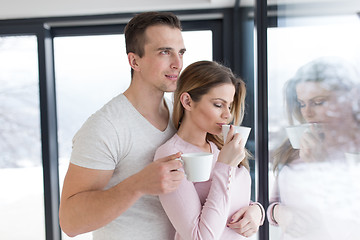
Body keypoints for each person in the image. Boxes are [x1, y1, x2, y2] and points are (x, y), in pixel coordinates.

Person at [59, 12, 187, 239]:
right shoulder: (105, 127)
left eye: (181, 53)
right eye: (165, 52)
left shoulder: (181, 116)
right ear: (134, 61)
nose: (178, 63)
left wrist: (253, 211)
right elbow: (70, 222)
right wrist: (137, 185)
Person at [154, 60, 265, 240]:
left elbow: (230, 200)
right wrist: (225, 165)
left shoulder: (220, 147)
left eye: (229, 105)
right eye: (218, 105)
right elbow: (200, 237)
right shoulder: (172, 155)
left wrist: (257, 211)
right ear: (187, 101)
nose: (227, 115)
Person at [267, 56, 360, 240]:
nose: (307, 112)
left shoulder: (353, 151)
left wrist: (320, 165)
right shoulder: (296, 144)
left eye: (318, 102)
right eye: (302, 104)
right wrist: (279, 213)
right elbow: (273, 202)